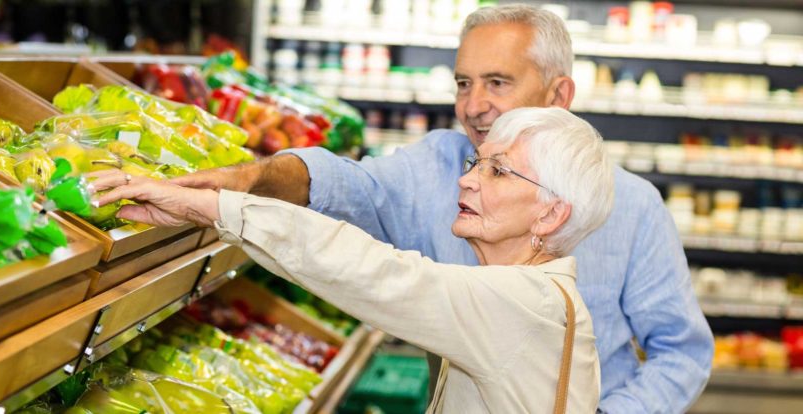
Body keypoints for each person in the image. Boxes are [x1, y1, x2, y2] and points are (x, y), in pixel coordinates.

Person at [104, 5, 714, 413]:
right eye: (462, 83)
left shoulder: (553, 270)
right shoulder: (444, 168)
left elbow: (375, 274)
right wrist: (252, 177)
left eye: (497, 83)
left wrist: (219, 207)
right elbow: (351, 187)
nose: (473, 107)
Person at [93, 107, 613, 412]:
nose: (467, 178)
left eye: (499, 172)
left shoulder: (525, 304)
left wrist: (211, 206)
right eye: (477, 162)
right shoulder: (533, 296)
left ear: (550, 216)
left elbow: (373, 271)